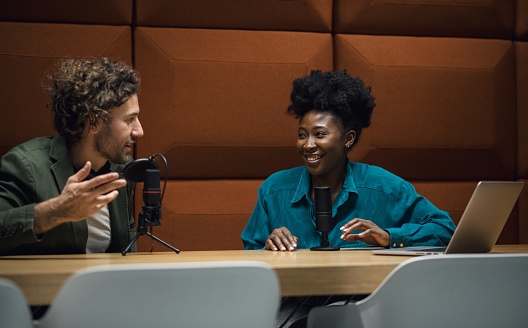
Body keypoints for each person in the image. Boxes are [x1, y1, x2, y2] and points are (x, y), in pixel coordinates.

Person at [242, 69, 456, 251]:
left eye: (320, 134)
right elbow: (249, 257)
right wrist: (267, 248)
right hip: (291, 299)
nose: (308, 145)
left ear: (348, 138)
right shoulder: (273, 190)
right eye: (302, 135)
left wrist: (390, 237)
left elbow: (445, 230)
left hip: (361, 299)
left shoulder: (385, 188)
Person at [0, 57, 144, 255]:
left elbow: (126, 252)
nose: (139, 131)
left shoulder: (122, 171)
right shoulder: (26, 164)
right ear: (93, 121)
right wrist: (57, 211)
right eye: (130, 119)